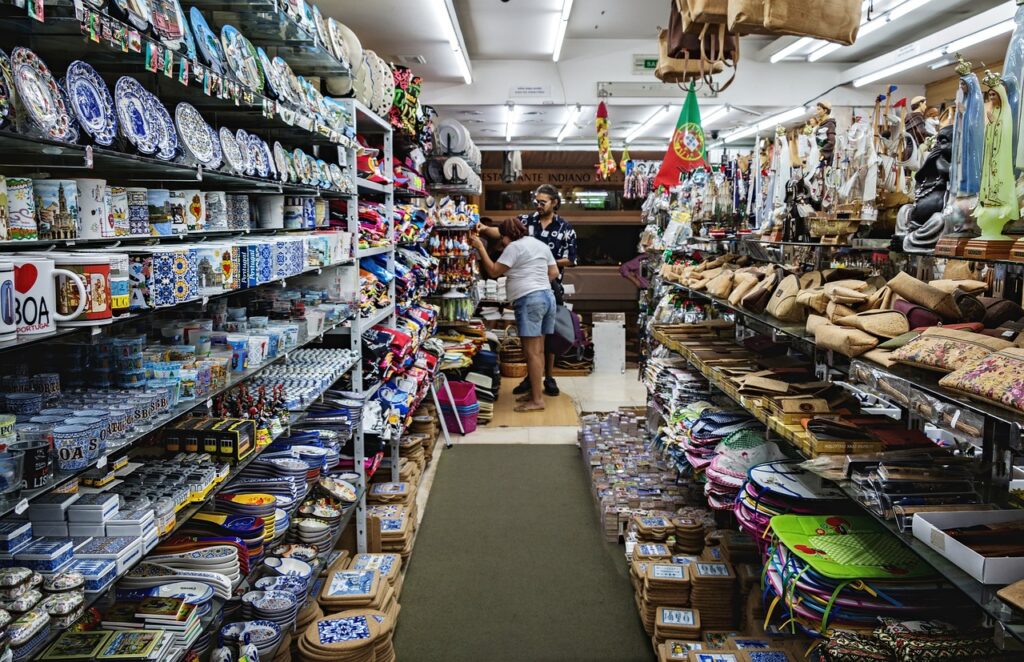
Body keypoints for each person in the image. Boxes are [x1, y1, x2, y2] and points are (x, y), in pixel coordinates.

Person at [480, 184, 577, 397]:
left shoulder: (565, 228)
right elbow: (502, 231)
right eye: (536, 201)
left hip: (546, 287)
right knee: (535, 345)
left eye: (543, 202)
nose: (538, 205)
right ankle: (532, 381)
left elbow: (571, 259)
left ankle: (547, 380)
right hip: (541, 289)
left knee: (543, 342)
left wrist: (534, 264)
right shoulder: (527, 221)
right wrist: (482, 228)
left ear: (554, 203)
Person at [471, 219, 559, 413]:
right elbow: (553, 272)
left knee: (531, 352)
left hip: (531, 301)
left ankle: (537, 400)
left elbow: (494, 271)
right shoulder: (539, 244)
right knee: (539, 350)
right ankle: (536, 392)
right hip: (547, 297)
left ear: (505, 236)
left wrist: (480, 247)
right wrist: (533, 280)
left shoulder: (513, 247)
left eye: (502, 237)